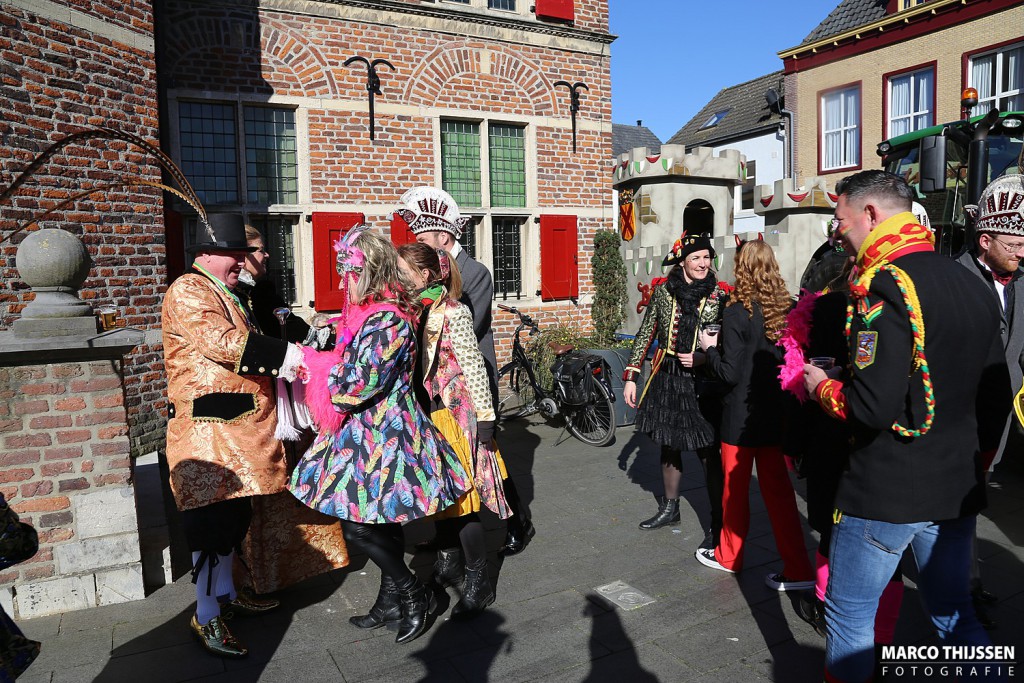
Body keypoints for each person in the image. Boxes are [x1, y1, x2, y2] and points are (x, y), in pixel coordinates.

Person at [802, 170, 1010, 683]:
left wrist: (822, 387)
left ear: (871, 214)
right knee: (954, 615)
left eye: (841, 220)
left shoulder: (884, 286)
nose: (838, 232)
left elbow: (871, 408)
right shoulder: (972, 281)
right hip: (955, 484)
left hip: (886, 489)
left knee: (850, 616)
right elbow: (995, 398)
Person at [289, 226, 471, 645]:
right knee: (377, 520)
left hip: (386, 434)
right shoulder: (373, 313)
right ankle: (390, 600)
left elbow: (353, 388)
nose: (344, 283)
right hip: (364, 431)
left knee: (359, 528)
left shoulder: (387, 319)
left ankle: (412, 592)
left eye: (350, 274)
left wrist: (313, 366)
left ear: (367, 273)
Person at [162, 213, 307, 658]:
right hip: (208, 436)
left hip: (236, 433)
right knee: (211, 526)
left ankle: (226, 595)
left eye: (244, 255)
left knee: (233, 520)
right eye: (235, 255)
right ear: (207, 254)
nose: (242, 263)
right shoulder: (189, 289)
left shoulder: (226, 290)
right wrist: (293, 356)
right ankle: (206, 614)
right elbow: (221, 342)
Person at [396, 186, 535, 557]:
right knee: (446, 457)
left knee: (489, 457)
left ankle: (517, 522)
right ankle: (447, 536)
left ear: (443, 236)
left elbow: (465, 330)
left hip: (470, 382)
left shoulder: (475, 273)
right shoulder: (428, 277)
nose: (419, 244)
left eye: (424, 238)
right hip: (436, 383)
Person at [228, 225, 348, 596]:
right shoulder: (231, 293)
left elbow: (288, 327)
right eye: (258, 249)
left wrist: (320, 339)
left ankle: (287, 564)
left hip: (282, 396)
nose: (266, 255)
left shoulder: (261, 289)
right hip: (254, 406)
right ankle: (255, 572)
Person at [398, 242, 511, 619]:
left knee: (462, 503)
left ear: (424, 274)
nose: (398, 277)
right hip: (428, 415)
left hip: (455, 415)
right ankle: (449, 564)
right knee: (441, 498)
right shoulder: (416, 310)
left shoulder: (454, 311)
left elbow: (474, 365)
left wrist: (486, 418)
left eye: (403, 271)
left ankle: (480, 580)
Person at [694, 240, 814, 593]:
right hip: (776, 415)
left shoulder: (736, 311)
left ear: (741, 268)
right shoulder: (787, 308)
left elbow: (729, 373)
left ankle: (730, 556)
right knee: (780, 496)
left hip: (740, 418)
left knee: (735, 491)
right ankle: (798, 567)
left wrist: (709, 350)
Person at [622, 231, 726, 550]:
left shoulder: (720, 295)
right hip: (667, 375)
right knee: (669, 443)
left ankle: (719, 522)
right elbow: (645, 333)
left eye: (706, 257)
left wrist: (705, 357)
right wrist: (631, 376)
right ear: (682, 262)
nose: (703, 263)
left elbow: (730, 341)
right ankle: (670, 508)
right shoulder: (664, 292)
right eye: (696, 258)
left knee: (708, 451)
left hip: (703, 378)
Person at [956, 173, 1024, 627]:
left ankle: (967, 581)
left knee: (972, 503)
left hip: (1003, 421)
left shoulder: (1021, 280)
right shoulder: (954, 279)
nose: (1022, 251)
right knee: (958, 508)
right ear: (985, 240)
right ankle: (962, 589)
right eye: (1014, 243)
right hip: (962, 422)